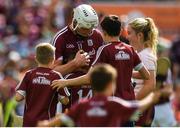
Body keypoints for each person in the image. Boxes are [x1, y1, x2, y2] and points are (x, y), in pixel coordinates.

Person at [38, 64, 172, 127]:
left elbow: (62, 119)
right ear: (110, 85)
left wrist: (46, 124)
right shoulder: (114, 104)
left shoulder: (82, 105)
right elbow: (137, 106)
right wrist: (152, 98)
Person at [51, 4, 104, 110]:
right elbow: (53, 73)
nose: (89, 32)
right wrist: (75, 63)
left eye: (91, 28)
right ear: (75, 22)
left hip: (94, 93)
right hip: (68, 96)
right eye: (85, 28)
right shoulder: (61, 38)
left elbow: (103, 67)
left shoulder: (97, 36)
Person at [15, 43, 70, 127]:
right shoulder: (56, 76)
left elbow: (18, 98)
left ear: (36, 59)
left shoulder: (29, 74)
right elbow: (65, 101)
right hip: (46, 123)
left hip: (28, 122)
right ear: (53, 59)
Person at [127, 17, 158, 126]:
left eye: (129, 33)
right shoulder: (140, 53)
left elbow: (150, 85)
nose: (127, 36)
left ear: (139, 35)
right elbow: (144, 76)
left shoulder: (145, 55)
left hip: (141, 109)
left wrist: (131, 104)